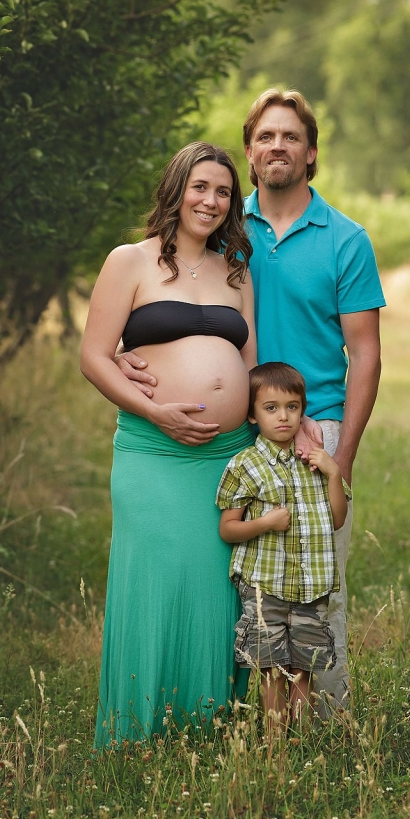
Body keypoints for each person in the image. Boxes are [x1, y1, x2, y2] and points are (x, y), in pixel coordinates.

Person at [119, 89, 385, 714]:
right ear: (249, 151)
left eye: (290, 136)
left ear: (311, 152)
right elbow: (162, 288)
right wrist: (134, 351)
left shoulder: (346, 240)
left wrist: (341, 451)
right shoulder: (222, 230)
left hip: (312, 425)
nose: (277, 147)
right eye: (265, 137)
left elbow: (366, 355)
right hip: (235, 431)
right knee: (245, 576)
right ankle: (246, 711)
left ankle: (323, 718)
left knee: (316, 579)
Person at [80, 141, 258, 746]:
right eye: (200, 187)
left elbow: (249, 364)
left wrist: (282, 432)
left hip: (224, 454)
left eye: (224, 192)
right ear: (176, 189)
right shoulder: (129, 261)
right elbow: (94, 358)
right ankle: (138, 729)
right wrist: (158, 412)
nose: (211, 201)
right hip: (153, 450)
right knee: (155, 574)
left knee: (214, 583)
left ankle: (206, 722)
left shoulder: (237, 269)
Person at [216, 362, 351, 730]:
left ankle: (298, 738)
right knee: (271, 668)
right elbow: (228, 529)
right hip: (266, 587)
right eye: (271, 408)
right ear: (252, 415)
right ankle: (275, 743)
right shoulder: (245, 465)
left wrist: (334, 472)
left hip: (310, 588)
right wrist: (264, 523)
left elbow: (336, 519)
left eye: (292, 407)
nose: (284, 417)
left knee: (303, 667)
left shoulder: (314, 462)